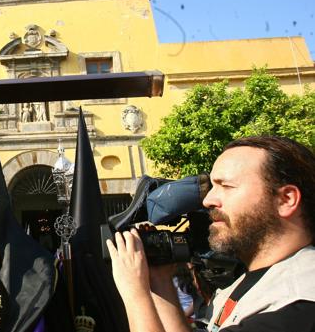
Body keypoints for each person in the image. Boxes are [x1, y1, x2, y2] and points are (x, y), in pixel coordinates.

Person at [107, 135, 315, 332]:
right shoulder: (257, 281)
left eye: (226, 186)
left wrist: (134, 291)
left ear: (285, 199)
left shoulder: (296, 305)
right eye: (213, 187)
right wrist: (161, 282)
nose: (208, 201)